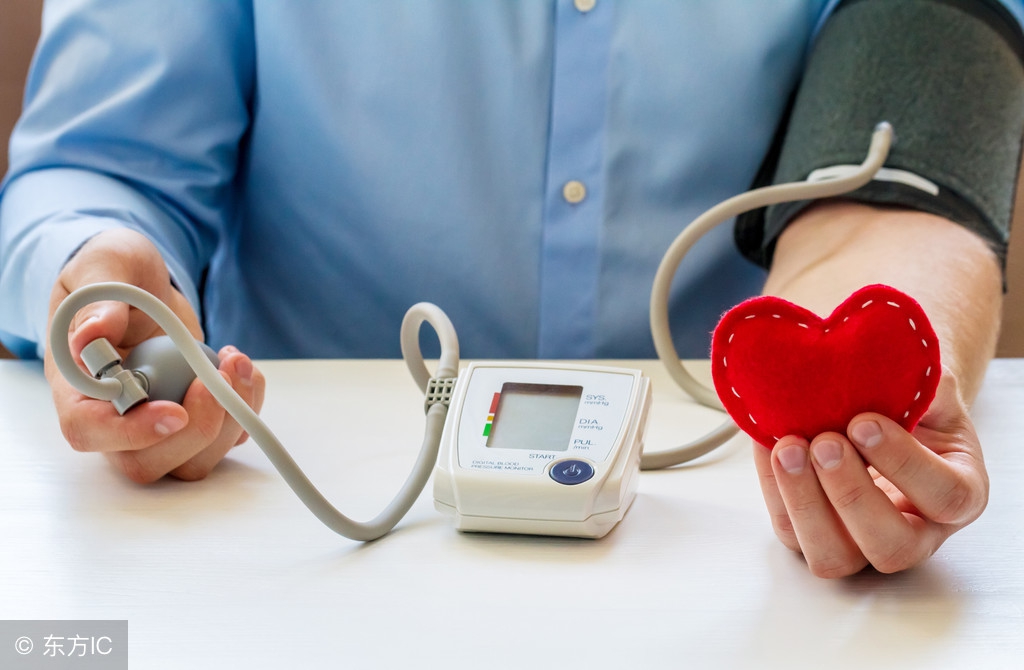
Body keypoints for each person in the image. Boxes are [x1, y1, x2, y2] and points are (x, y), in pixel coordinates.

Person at [1, 0, 1021, 578]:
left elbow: (906, 153)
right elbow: (98, 169)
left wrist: (865, 394)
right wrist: (98, 277)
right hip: (273, 522)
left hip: (735, 534)